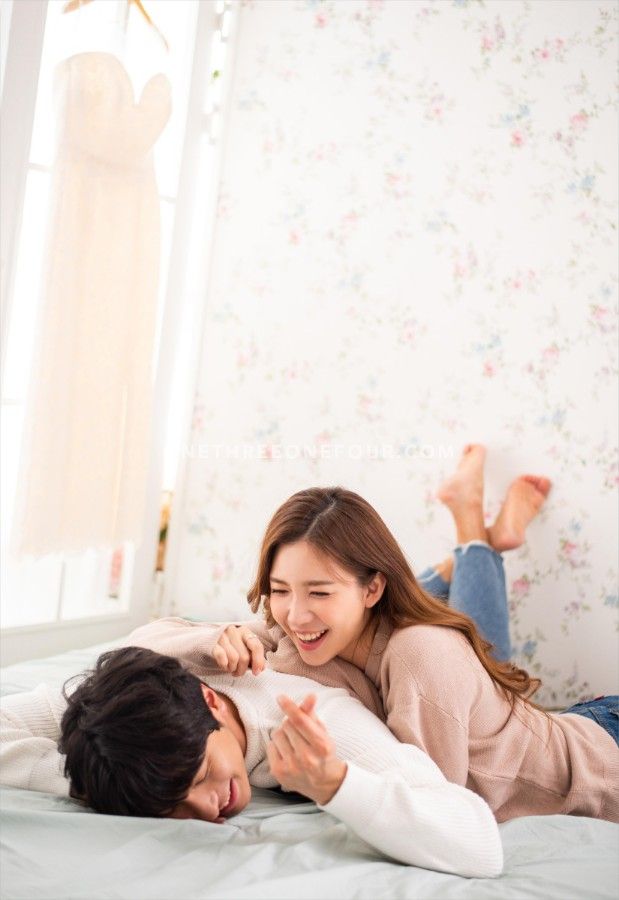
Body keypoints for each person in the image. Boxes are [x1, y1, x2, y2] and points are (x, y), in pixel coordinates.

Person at [128, 445, 618, 823]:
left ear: (373, 587)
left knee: (430, 635)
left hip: (602, 756)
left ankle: (473, 543)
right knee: (378, 618)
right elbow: (136, 646)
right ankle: (471, 546)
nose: (294, 615)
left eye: (318, 592)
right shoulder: (297, 638)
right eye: (279, 590)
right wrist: (213, 641)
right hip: (571, 719)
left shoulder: (420, 655)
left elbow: (433, 806)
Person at [0, 646, 504, 879]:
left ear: (212, 702)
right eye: (171, 805)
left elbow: (481, 846)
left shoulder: (318, 720)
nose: (206, 808)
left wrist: (335, 784)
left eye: (199, 775)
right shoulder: (121, 707)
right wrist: (103, 782)